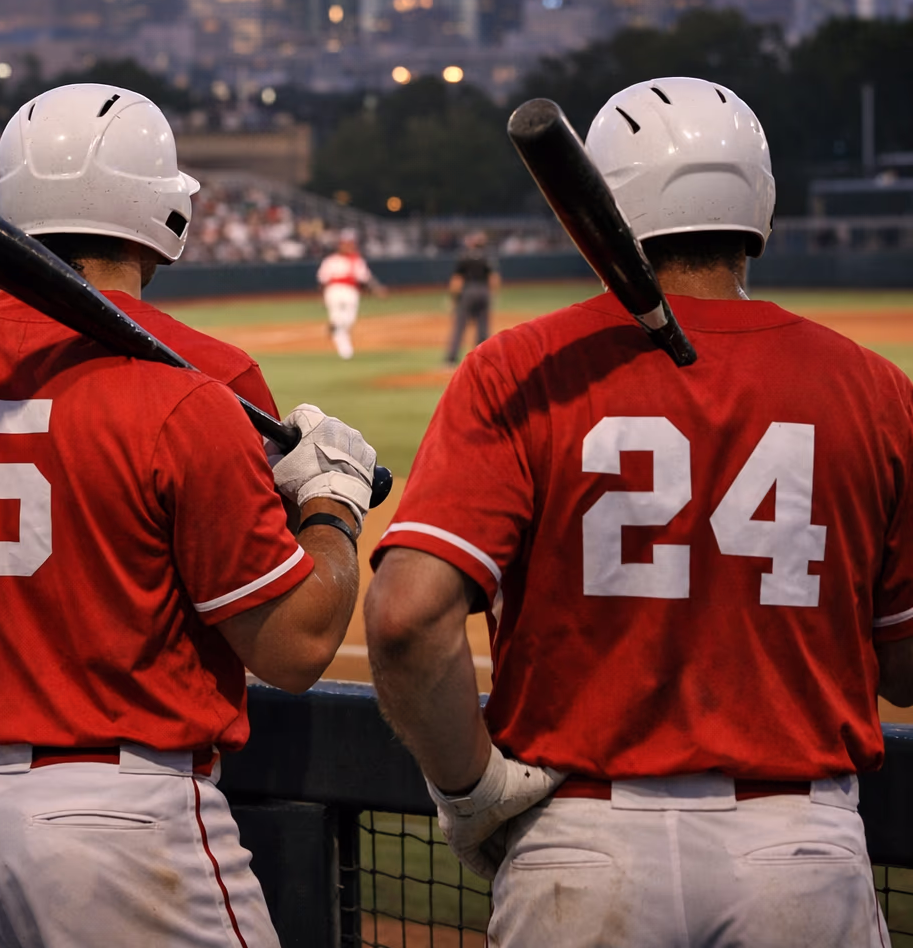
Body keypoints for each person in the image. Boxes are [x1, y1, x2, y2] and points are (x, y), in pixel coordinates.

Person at [365, 76, 913, 948]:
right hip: (800, 851)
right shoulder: (875, 389)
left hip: (580, 851)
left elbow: (402, 620)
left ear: (598, 207)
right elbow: (906, 666)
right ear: (759, 204)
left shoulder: (522, 369)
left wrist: (470, 793)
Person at [0, 83, 376, 948]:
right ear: (166, 214)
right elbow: (295, 648)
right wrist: (331, 502)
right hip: (118, 827)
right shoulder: (205, 384)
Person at [316, 230, 384, 360]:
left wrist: (377, 289)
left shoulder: (356, 260)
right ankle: (345, 350)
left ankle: (334, 327)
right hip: (333, 290)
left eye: (350, 244)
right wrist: (321, 296)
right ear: (340, 245)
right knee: (337, 316)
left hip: (351, 290)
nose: (348, 247)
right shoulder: (331, 260)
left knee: (348, 320)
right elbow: (322, 279)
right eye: (345, 244)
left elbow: (365, 278)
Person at [444, 231, 500, 365]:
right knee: (483, 327)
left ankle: (451, 359)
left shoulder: (465, 256)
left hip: (468, 291)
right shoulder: (487, 257)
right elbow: (494, 278)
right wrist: (492, 295)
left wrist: (453, 298)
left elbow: (457, 279)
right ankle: (483, 360)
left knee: (460, 326)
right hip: (483, 291)